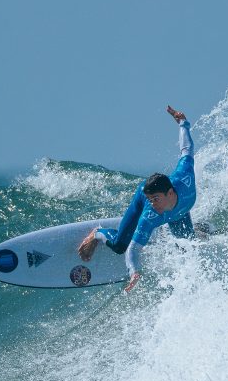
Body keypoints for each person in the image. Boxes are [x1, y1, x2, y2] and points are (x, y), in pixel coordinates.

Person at [78, 105, 196, 292]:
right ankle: (98, 234)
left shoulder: (185, 177)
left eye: (155, 199)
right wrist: (134, 271)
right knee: (119, 246)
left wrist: (183, 123)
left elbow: (187, 149)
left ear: (170, 193)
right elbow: (133, 249)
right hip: (147, 194)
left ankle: (201, 230)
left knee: (190, 248)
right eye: (151, 200)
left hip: (179, 213)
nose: (152, 203)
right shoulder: (150, 213)